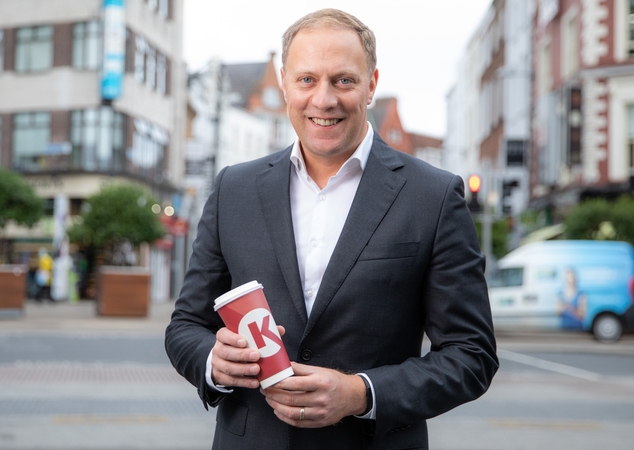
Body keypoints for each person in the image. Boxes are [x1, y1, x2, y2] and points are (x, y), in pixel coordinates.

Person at [165, 9, 498, 449]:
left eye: (343, 80)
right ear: (285, 83)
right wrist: (213, 361)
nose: (323, 100)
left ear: (371, 84)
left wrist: (361, 394)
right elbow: (186, 325)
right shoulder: (234, 189)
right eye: (306, 80)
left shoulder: (432, 197)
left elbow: (471, 354)